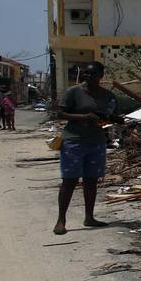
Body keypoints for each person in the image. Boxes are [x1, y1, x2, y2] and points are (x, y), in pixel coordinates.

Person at [54, 62, 121, 235]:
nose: (88, 77)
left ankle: (89, 217)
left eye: (93, 74)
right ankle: (61, 220)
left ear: (101, 76)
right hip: (74, 140)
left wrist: (111, 119)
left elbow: (108, 115)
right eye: (86, 74)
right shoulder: (74, 92)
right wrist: (84, 116)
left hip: (96, 141)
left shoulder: (107, 96)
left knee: (91, 180)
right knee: (70, 180)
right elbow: (60, 114)